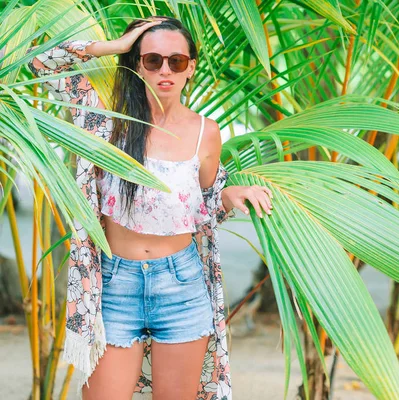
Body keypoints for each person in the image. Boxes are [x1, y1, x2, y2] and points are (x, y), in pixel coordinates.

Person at [27, 16, 272, 400]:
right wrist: (116, 46)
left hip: (182, 286)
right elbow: (37, 63)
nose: (164, 70)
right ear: (136, 65)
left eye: (176, 61)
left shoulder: (206, 132)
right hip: (114, 286)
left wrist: (231, 194)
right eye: (152, 60)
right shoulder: (104, 119)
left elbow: (206, 202)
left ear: (190, 68)